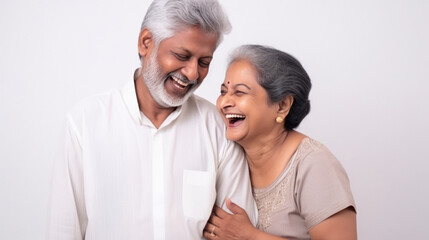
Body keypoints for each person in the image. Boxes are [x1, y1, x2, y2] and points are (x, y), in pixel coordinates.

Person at [47, 1, 257, 239]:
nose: (192, 73)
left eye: (204, 62)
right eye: (181, 55)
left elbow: (235, 232)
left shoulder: (219, 128)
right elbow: (63, 231)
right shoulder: (84, 122)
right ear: (146, 42)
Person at [203, 45, 357, 240]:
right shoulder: (227, 154)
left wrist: (250, 237)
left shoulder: (313, 164)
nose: (224, 102)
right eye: (223, 91)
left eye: (240, 92)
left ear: (282, 106)